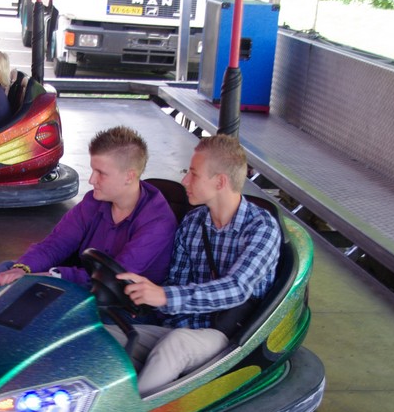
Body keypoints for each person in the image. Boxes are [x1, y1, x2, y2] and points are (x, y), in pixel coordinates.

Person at [110, 134, 282, 396]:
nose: (185, 181)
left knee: (176, 344)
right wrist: (141, 298)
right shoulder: (192, 223)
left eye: (193, 174)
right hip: (184, 328)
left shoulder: (261, 227)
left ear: (220, 181)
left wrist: (163, 296)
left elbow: (237, 288)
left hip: (229, 335)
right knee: (105, 335)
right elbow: (176, 283)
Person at [0, 125, 178, 291]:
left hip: (122, 304)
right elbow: (55, 244)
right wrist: (22, 270)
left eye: (101, 173)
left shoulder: (157, 223)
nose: (91, 180)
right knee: (8, 270)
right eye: (92, 170)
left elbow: (116, 276)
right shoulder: (94, 203)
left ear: (129, 176)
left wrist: (52, 276)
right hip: (86, 287)